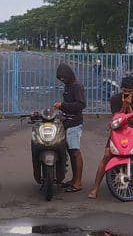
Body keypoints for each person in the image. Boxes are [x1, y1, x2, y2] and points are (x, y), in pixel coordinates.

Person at [53, 63, 85, 192]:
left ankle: (77, 183)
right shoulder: (68, 86)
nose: (62, 80)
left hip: (74, 123)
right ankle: (73, 179)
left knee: (75, 152)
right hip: (66, 121)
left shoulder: (77, 86)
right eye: (60, 78)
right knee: (70, 152)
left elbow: (81, 104)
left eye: (64, 77)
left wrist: (62, 105)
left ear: (69, 75)